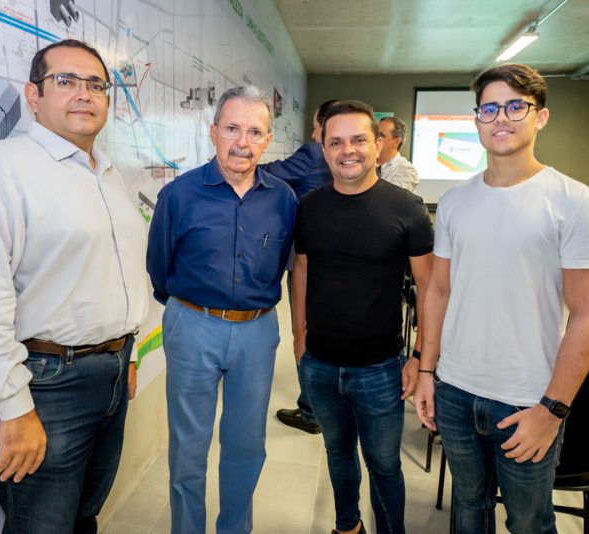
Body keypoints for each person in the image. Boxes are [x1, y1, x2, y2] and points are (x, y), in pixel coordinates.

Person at [0, 39, 148, 533]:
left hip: (110, 375)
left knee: (82, 517)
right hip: (45, 384)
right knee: (42, 526)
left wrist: (128, 356)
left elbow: (122, 273)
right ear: (34, 96)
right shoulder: (0, 170)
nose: (84, 94)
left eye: (96, 85)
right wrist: (12, 405)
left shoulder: (106, 174)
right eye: (65, 81)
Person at [414, 63, 589, 533]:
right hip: (456, 391)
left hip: (528, 399)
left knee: (528, 522)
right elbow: (439, 290)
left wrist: (552, 411)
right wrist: (426, 370)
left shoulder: (578, 203)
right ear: (476, 118)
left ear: (539, 117)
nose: (500, 117)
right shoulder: (456, 202)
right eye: (489, 107)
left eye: (515, 106)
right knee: (469, 507)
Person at [146, 86, 296, 534]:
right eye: (232, 128)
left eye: (254, 131)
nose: (242, 142)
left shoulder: (283, 198)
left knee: (246, 444)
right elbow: (159, 269)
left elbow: (285, 260)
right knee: (188, 448)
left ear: (268, 139)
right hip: (192, 325)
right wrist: (191, 313)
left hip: (257, 331)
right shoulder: (179, 195)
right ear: (213, 132)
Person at [292, 100, 434, 534]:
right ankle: (347, 525)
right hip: (319, 364)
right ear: (323, 147)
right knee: (338, 453)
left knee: (385, 464)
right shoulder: (309, 206)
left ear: (378, 145)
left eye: (358, 140)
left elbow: (430, 288)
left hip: (380, 369)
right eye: (336, 141)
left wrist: (420, 358)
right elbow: (302, 267)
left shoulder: (408, 208)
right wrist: (300, 340)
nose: (347, 150)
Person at [261, 98, 340, 435]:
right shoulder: (354, 159)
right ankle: (331, 405)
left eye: (316, 125)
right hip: (340, 262)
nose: (312, 132)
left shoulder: (313, 152)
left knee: (305, 333)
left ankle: (311, 411)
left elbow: (268, 172)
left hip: (309, 262)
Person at [376, 116, 419, 193]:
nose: (375, 139)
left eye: (381, 135)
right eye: (375, 134)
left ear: (396, 141)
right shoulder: (365, 164)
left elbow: (390, 200)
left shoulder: (406, 170)